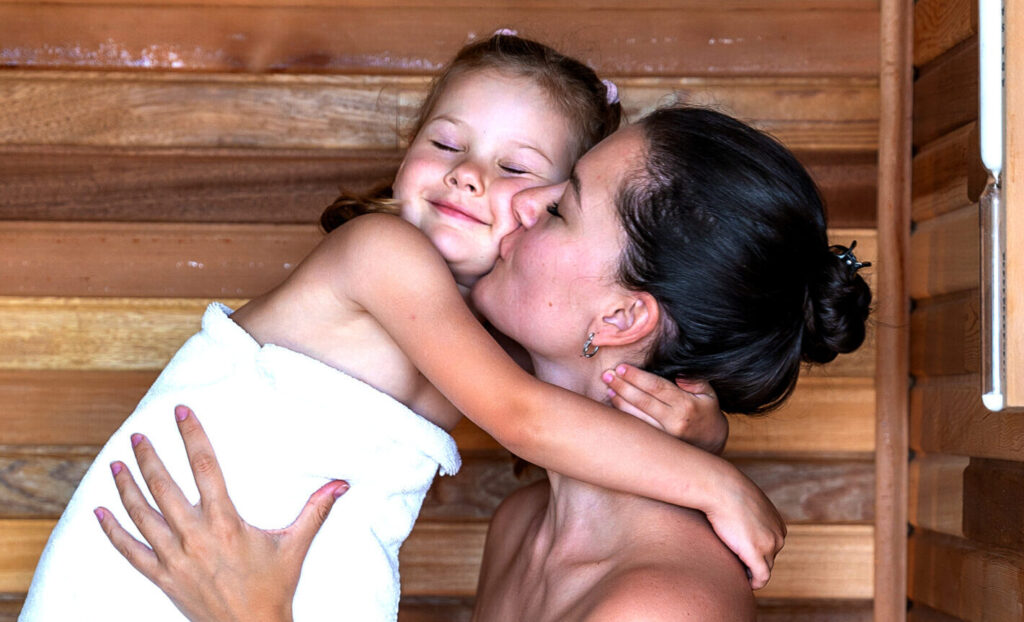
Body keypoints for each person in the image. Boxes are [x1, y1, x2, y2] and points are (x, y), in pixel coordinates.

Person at [20, 35, 782, 622]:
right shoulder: (383, 257)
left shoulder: (490, 334)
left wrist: (696, 438)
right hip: (159, 552)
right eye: (445, 145)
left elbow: (557, 414)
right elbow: (524, 417)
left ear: (620, 315)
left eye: (540, 193)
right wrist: (709, 478)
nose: (472, 179)